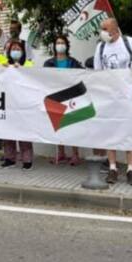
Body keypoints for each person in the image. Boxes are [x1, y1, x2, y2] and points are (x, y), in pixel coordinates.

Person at [94, 17, 132, 187]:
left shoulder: (128, 43)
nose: (102, 32)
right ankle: (113, 167)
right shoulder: (100, 47)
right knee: (111, 130)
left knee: (130, 129)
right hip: (110, 97)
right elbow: (97, 72)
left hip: (128, 96)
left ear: (114, 29)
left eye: (104, 28)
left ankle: (131, 169)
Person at [44, 35, 84, 166]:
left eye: (62, 42)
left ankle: (75, 154)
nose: (60, 45)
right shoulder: (49, 63)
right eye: (58, 42)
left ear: (66, 46)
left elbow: (80, 76)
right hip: (55, 97)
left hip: (70, 97)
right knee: (58, 126)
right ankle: (61, 153)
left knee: (72, 126)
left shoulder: (73, 62)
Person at [1, 40, 35, 169]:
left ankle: (27, 159)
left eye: (18, 49)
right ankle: (10, 158)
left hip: (23, 104)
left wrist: (22, 70)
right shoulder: (4, 65)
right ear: (9, 52)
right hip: (8, 102)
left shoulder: (29, 64)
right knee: (7, 132)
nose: (15, 51)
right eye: (13, 49)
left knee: (24, 131)